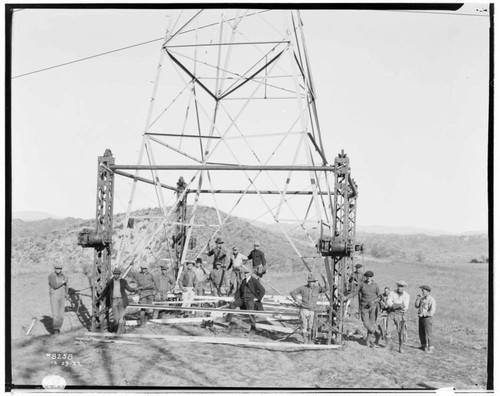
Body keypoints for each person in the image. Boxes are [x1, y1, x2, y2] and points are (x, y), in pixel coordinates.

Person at [97, 268, 138, 333]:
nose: (116, 275)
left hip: (122, 300)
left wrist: (134, 289)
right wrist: (99, 298)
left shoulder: (123, 281)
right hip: (114, 301)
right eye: (115, 274)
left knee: (121, 316)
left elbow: (129, 288)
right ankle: (116, 328)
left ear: (119, 274)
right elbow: (105, 291)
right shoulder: (110, 282)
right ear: (113, 274)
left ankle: (119, 331)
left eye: (117, 274)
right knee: (116, 318)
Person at [290, 273, 327, 344]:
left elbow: (326, 289)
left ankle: (309, 341)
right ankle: (304, 340)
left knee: (310, 327)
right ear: (308, 282)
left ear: (314, 282)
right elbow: (292, 293)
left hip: (312, 311)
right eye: (310, 281)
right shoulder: (303, 288)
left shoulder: (317, 289)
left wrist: (325, 280)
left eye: (313, 282)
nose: (311, 283)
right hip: (304, 310)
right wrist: (297, 300)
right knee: (304, 326)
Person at [228, 267, 265, 332]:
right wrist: (235, 298)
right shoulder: (244, 281)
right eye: (244, 273)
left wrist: (258, 298)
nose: (245, 274)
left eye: (247, 273)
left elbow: (262, 290)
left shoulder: (254, 281)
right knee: (232, 305)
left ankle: (253, 328)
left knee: (250, 313)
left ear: (250, 273)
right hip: (242, 299)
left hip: (250, 300)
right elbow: (239, 291)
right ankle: (228, 322)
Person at [354, 270, 382, 347]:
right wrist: (346, 297)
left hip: (373, 307)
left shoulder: (375, 285)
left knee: (371, 324)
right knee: (366, 323)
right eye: (367, 277)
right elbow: (355, 292)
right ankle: (377, 334)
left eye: (370, 277)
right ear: (365, 277)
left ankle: (367, 341)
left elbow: (380, 297)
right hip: (364, 307)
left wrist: (374, 301)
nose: (368, 278)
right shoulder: (361, 284)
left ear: (371, 277)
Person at [385, 281, 410, 352]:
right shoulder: (392, 293)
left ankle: (400, 348)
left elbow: (405, 307)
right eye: (399, 286)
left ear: (404, 287)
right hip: (391, 313)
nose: (400, 288)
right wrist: (397, 305)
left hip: (400, 315)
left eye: (401, 286)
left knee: (401, 332)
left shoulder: (406, 295)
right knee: (388, 331)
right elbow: (388, 302)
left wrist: (394, 305)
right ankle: (387, 346)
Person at [48, 263, 69, 334]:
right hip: (54, 297)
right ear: (55, 269)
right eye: (57, 269)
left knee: (61, 315)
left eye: (60, 269)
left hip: (62, 296)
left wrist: (66, 294)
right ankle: (56, 330)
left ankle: (58, 328)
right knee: (55, 314)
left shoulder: (64, 276)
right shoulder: (51, 276)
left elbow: (66, 286)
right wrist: (63, 281)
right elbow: (55, 286)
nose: (58, 270)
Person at [415, 285, 437, 353]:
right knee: (421, 332)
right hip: (421, 318)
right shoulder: (422, 298)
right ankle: (423, 346)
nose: (422, 292)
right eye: (422, 290)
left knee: (428, 333)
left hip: (427, 318)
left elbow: (432, 312)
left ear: (427, 291)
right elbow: (416, 306)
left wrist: (424, 314)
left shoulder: (431, 299)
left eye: (423, 290)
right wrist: (417, 299)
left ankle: (430, 348)